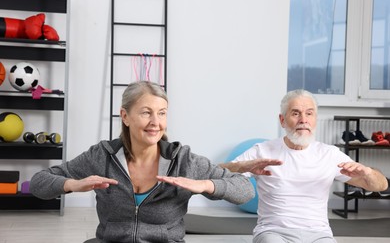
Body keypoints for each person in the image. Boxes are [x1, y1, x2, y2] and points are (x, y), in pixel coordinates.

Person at [30, 80, 255, 243]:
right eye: (146, 113)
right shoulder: (102, 156)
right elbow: (39, 182)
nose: (155, 122)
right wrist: (73, 184)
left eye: (162, 113)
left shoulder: (183, 160)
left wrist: (206, 185)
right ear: (125, 116)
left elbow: (245, 190)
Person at [220, 89, 388, 243]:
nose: (303, 120)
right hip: (274, 233)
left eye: (309, 113)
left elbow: (382, 185)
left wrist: (368, 173)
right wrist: (242, 167)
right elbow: (215, 172)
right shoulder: (262, 150)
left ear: (315, 119)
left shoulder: (329, 154)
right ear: (282, 120)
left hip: (319, 235)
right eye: (295, 113)